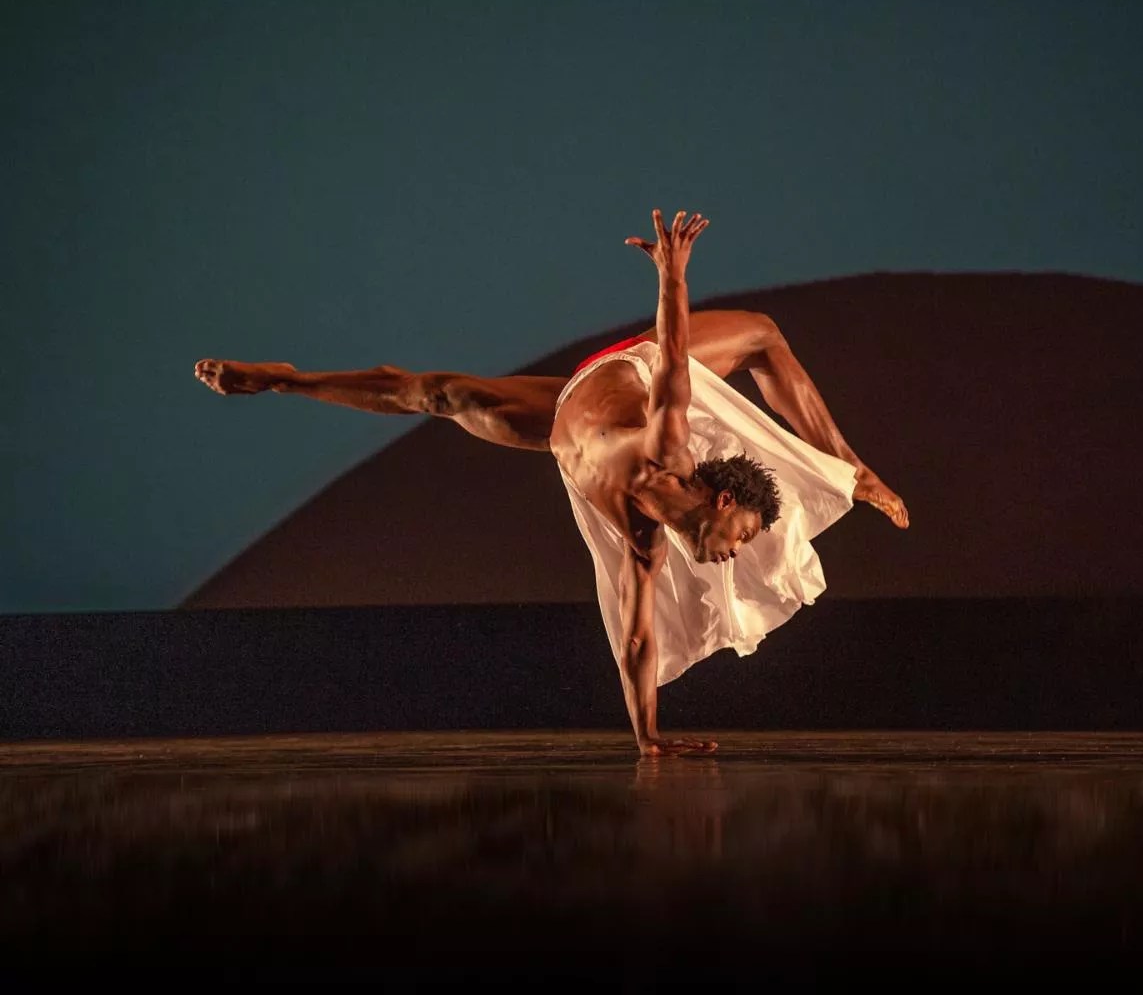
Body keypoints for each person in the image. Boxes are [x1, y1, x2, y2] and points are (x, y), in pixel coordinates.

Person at [195, 209, 908, 755]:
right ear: (723, 502)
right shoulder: (668, 450)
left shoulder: (642, 544)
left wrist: (648, 739)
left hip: (567, 415)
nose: (737, 555)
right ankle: (285, 380)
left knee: (441, 395)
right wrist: (672, 277)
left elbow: (634, 642)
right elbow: (674, 370)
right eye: (745, 537)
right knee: (760, 332)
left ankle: (284, 383)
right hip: (634, 368)